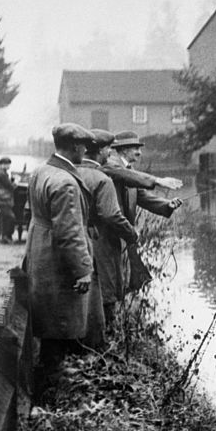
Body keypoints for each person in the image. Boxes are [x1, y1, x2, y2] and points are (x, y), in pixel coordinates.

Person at [24, 124, 96, 400]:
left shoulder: (42, 171)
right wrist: (83, 270)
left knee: (49, 329)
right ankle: (48, 397)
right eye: (83, 147)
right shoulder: (65, 182)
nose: (86, 151)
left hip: (41, 255)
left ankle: (45, 392)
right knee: (58, 330)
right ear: (76, 147)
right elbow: (69, 232)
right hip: (57, 263)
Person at [74, 129, 139, 345]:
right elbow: (111, 214)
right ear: (101, 151)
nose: (110, 152)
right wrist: (131, 233)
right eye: (109, 148)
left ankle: (80, 340)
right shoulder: (102, 178)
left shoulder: (69, 172)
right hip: (101, 241)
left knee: (83, 289)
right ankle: (103, 342)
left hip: (75, 241)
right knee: (106, 290)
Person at [102, 130, 182, 293]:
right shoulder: (110, 165)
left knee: (129, 279)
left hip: (124, 234)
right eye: (135, 149)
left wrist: (167, 205)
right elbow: (125, 175)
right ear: (123, 150)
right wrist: (158, 180)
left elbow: (142, 196)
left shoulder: (129, 170)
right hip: (108, 236)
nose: (139, 153)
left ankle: (121, 313)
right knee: (112, 281)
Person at [0, 157, 15, 243]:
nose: (9, 166)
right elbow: (10, 187)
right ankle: (6, 236)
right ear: (2, 164)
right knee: (11, 217)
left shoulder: (2, 173)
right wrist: (16, 183)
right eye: (7, 164)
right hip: (3, 199)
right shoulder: (1, 174)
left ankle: (6, 236)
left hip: (2, 198)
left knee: (7, 217)